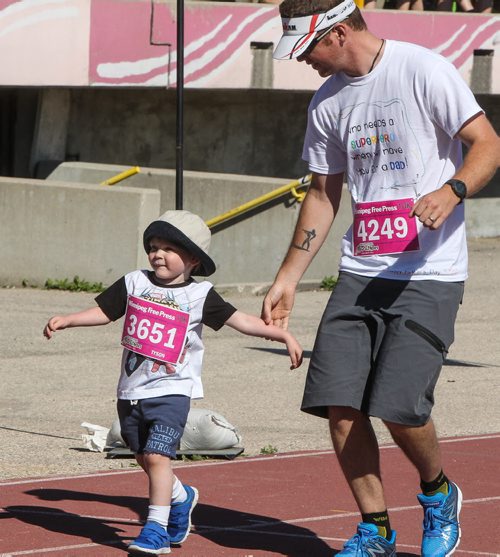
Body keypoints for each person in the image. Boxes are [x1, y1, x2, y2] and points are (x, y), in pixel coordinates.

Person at [266, 0, 500, 555]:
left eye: (307, 49)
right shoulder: (326, 103)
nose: (304, 61)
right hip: (360, 271)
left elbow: (488, 145)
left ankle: (438, 493)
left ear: (339, 32)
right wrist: (289, 275)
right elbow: (324, 194)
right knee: (338, 404)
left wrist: (453, 190)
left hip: (429, 274)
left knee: (399, 408)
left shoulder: (423, 70)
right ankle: (375, 528)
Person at [44, 210, 303, 556]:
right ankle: (182, 498)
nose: (157, 254)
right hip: (132, 390)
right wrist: (69, 320)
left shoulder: (201, 295)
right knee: (144, 458)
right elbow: (105, 311)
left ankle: (156, 530)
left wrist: (280, 335)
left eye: (169, 248)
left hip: (173, 390)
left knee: (158, 456)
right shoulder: (134, 282)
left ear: (193, 258)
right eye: (153, 246)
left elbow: (239, 320)